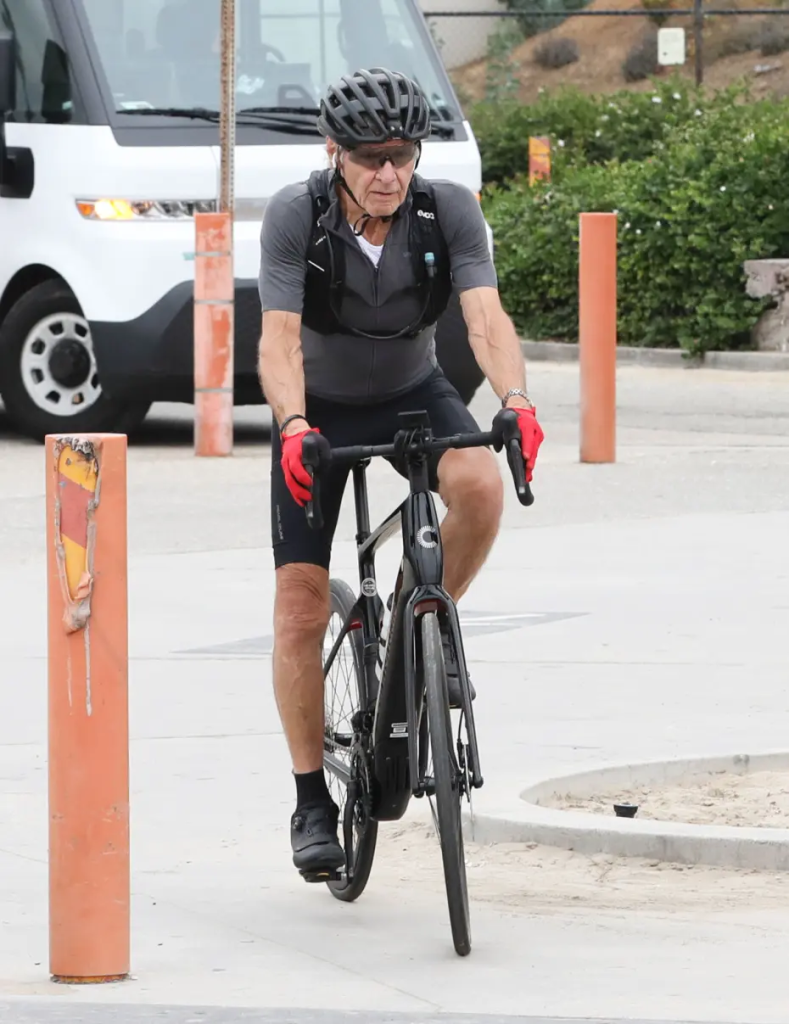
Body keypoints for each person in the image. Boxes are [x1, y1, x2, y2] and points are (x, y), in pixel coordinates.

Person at [257, 67, 544, 880]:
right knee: (297, 609)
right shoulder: (296, 215)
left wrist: (516, 399)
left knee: (481, 487)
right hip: (318, 410)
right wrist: (292, 425)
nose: (388, 173)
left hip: (413, 392)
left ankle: (424, 625)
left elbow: (484, 319)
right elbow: (278, 339)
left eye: (403, 155)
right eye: (370, 157)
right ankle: (311, 801)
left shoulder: (445, 209)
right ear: (334, 151)